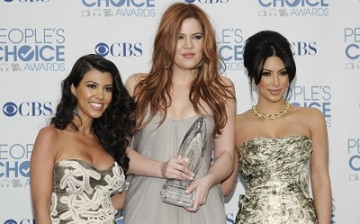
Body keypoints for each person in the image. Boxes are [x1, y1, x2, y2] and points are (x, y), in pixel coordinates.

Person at [123, 2, 236, 224]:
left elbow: (226, 156)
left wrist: (209, 180)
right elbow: (121, 153)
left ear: (206, 42)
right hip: (147, 204)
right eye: (180, 37)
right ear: (166, 40)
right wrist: (162, 168)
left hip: (199, 203)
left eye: (196, 37)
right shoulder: (138, 87)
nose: (188, 45)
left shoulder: (221, 90)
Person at [232, 30, 332, 223]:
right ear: (253, 75)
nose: (276, 82)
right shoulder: (236, 125)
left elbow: (320, 180)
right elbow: (225, 185)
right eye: (267, 74)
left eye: (282, 73)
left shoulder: (312, 118)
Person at [30, 54, 136, 223]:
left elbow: (104, 203)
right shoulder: (51, 136)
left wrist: (149, 187)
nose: (100, 95)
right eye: (92, 86)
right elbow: (41, 208)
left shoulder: (109, 140)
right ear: (73, 88)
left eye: (107, 89)